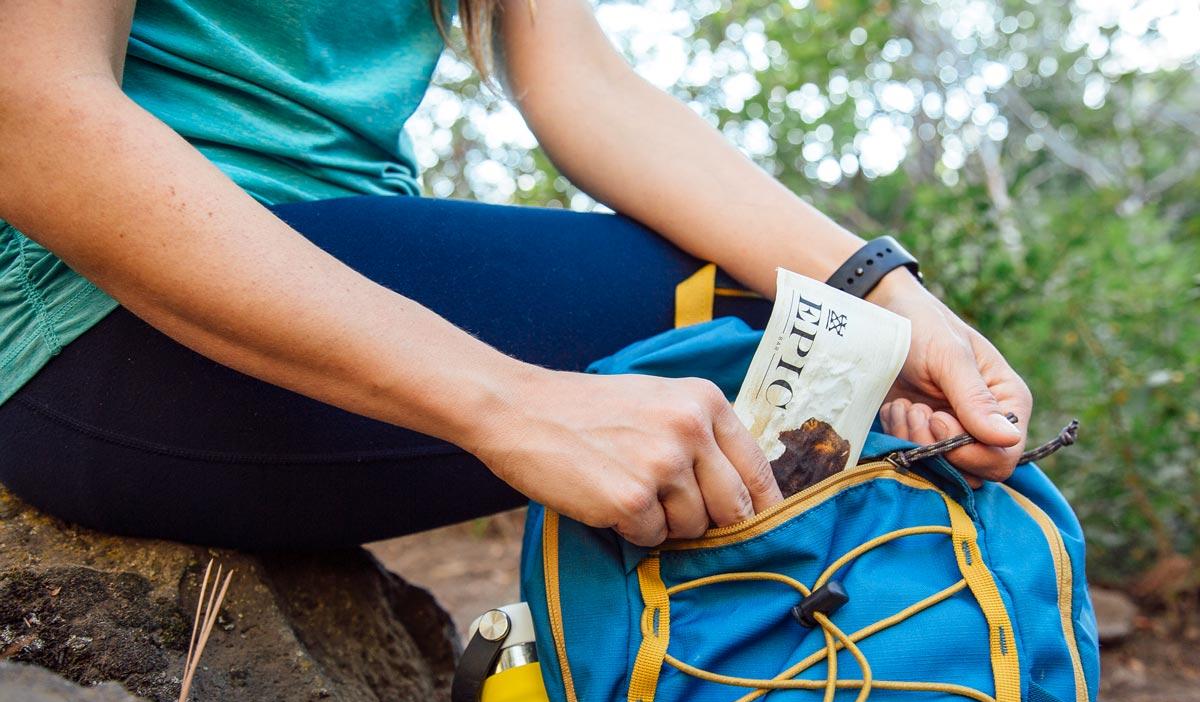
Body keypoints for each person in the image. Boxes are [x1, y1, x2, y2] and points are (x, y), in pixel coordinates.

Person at [0, 0, 1032, 551]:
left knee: (826, 344)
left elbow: (586, 84)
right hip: (104, 315)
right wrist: (515, 404)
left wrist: (886, 297)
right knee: (770, 327)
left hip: (354, 253)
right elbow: (31, 110)